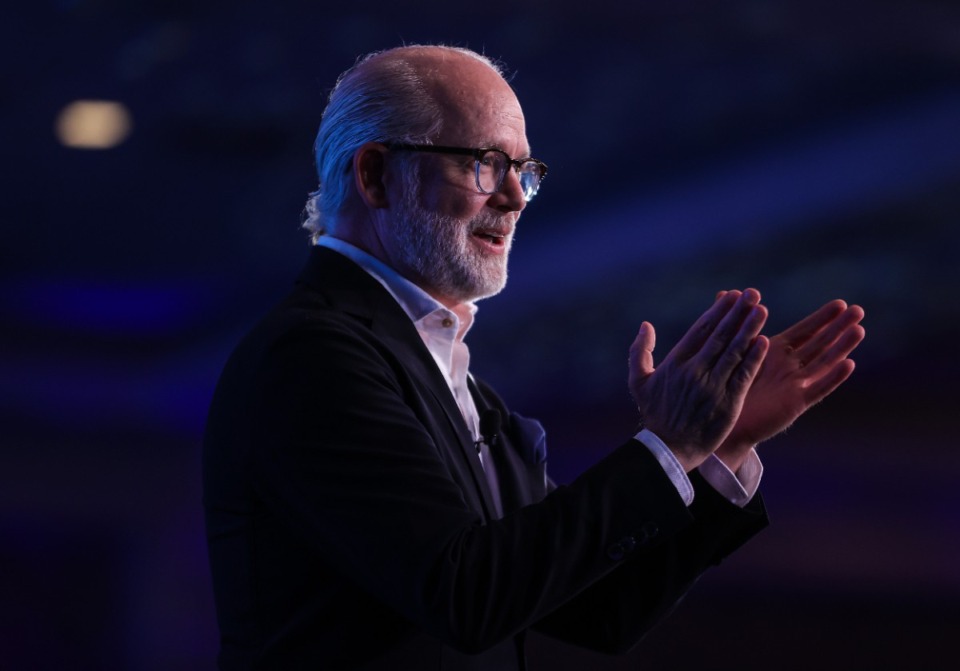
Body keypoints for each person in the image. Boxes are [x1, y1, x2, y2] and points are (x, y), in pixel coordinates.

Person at [203, 44, 865, 670]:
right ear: (376, 174)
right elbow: (464, 594)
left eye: (523, 170)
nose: (516, 197)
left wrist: (714, 445)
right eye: (482, 162)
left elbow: (600, 609)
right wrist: (667, 442)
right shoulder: (313, 354)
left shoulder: (460, 385)